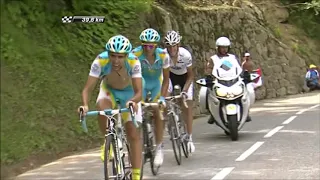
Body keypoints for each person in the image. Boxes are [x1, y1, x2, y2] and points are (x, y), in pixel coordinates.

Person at [78, 35, 143, 180]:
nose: (116, 60)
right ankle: (107, 138)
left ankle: (137, 175)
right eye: (113, 56)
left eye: (120, 57)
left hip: (130, 93)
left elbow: (139, 92)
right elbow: (87, 89)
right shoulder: (100, 60)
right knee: (102, 107)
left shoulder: (133, 61)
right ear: (108, 54)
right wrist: (85, 104)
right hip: (110, 90)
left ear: (126, 56)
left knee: (133, 133)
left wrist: (133, 101)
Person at [132, 28, 170, 167]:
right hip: (140, 84)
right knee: (136, 111)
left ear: (156, 46)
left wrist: (163, 98)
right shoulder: (135, 54)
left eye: (152, 46)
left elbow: (166, 80)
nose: (148, 49)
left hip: (156, 85)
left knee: (157, 111)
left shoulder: (164, 56)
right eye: (145, 45)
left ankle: (159, 146)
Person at [206, 37, 253, 124]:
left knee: (247, 89)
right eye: (222, 47)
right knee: (206, 91)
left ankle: (246, 111)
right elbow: (209, 69)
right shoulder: (213, 59)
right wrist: (209, 76)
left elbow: (239, 67)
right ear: (218, 48)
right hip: (219, 81)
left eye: (226, 47)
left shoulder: (232, 57)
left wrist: (244, 74)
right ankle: (212, 114)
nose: (224, 49)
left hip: (233, 80)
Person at [164, 30, 195, 154]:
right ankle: (170, 119)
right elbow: (164, 78)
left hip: (185, 79)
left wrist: (185, 91)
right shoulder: (164, 56)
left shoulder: (185, 55)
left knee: (187, 105)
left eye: (174, 46)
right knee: (165, 97)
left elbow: (191, 76)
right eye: (169, 46)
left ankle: (190, 137)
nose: (172, 49)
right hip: (170, 77)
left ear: (178, 45)